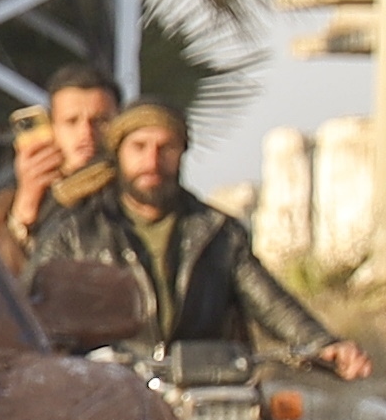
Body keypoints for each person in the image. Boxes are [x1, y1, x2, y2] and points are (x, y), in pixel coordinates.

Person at [34, 104, 373, 381]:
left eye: (165, 148)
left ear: (182, 152)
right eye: (139, 148)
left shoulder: (217, 232)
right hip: (110, 394)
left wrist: (323, 344)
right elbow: (32, 310)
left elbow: (269, 301)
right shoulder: (75, 234)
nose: (152, 161)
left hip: (203, 388)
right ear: (118, 153)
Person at [0, 72, 124, 256]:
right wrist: (24, 211)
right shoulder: (5, 205)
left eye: (100, 121)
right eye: (71, 121)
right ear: (52, 127)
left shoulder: (136, 195)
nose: (86, 133)